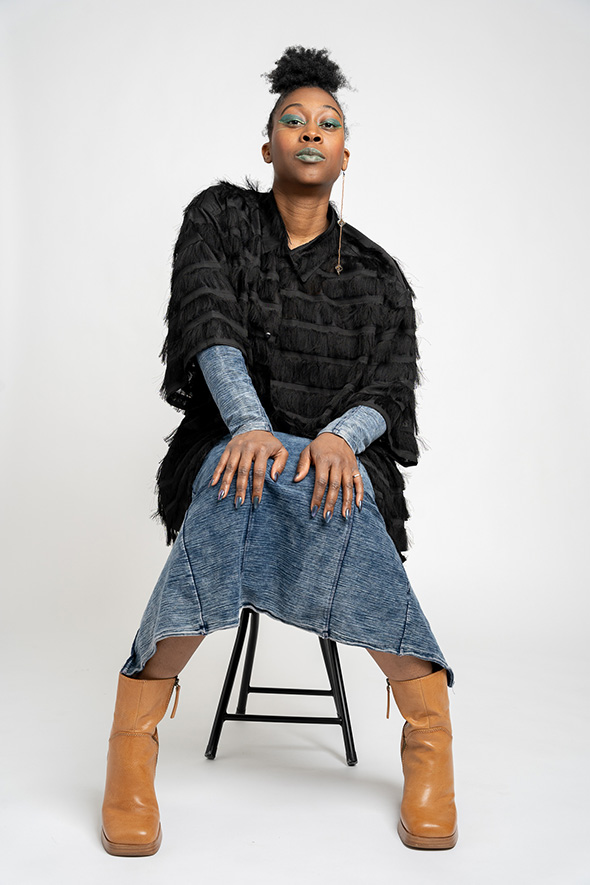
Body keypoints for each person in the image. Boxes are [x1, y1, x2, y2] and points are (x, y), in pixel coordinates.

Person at [101, 45, 458, 856]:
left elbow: (389, 388)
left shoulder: (379, 274)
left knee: (330, 486)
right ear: (268, 145)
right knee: (243, 478)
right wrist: (252, 427)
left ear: (344, 153)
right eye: (294, 120)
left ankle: (428, 736)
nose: (311, 131)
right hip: (228, 445)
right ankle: (132, 746)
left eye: (328, 123)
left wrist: (337, 437)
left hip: (339, 464)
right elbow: (210, 325)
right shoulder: (219, 218)